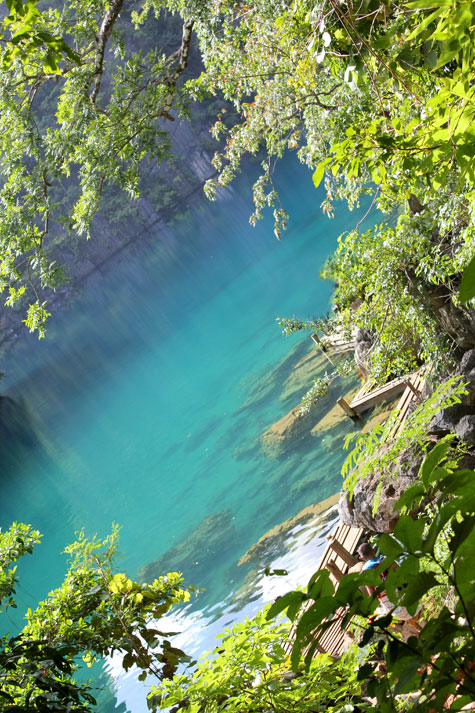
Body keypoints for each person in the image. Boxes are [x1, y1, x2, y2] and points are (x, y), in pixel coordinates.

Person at [357, 542, 422, 633]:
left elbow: (372, 596)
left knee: (394, 609)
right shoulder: (383, 560)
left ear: (362, 558)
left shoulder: (363, 575)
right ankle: (419, 620)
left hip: (395, 609)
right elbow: (400, 572)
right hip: (406, 599)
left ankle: (419, 628)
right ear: (373, 550)